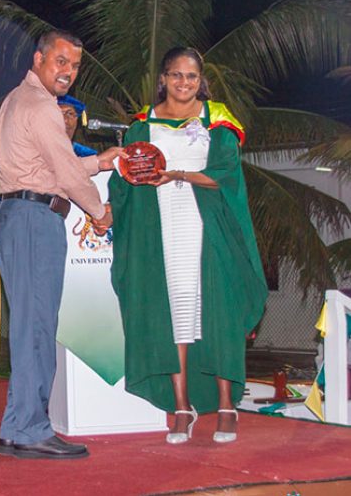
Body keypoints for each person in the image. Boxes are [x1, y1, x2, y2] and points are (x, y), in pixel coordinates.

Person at [108, 47, 268, 444]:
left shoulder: (217, 121)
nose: (183, 83)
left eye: (191, 77)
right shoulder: (142, 125)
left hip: (207, 228)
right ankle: (182, 406)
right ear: (163, 78)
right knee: (174, 315)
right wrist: (107, 208)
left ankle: (227, 405)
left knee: (218, 314)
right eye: (176, 75)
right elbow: (124, 177)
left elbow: (225, 176)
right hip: (160, 230)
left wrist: (176, 173)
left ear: (201, 81)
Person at [0, 28, 124, 459]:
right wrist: (100, 212)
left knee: (30, 325)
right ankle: (29, 429)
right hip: (34, 221)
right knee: (36, 329)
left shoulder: (16, 99)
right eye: (61, 61)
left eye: (75, 66)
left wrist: (99, 162)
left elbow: (49, 166)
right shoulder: (42, 106)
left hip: (18, 216)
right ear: (39, 59)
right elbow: (64, 177)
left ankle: (19, 425)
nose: (68, 71)